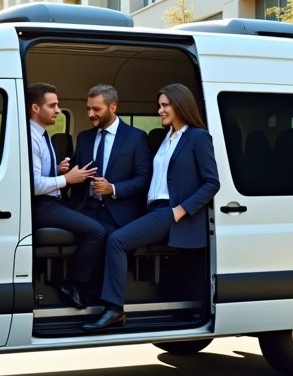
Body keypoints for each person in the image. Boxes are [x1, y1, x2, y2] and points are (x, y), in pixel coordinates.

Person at [83, 83, 220, 332]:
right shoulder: (168, 138)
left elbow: (212, 183)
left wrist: (181, 209)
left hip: (170, 211)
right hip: (153, 210)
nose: (160, 110)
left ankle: (114, 309)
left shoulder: (197, 136)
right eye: (160, 106)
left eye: (165, 105)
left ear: (180, 105)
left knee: (116, 240)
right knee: (107, 234)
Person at [26, 82, 103, 311]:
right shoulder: (31, 137)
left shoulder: (42, 134)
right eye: (53, 105)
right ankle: (72, 283)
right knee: (96, 231)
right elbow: (34, 185)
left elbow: (39, 174)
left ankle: (91, 283)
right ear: (35, 108)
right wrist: (67, 179)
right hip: (43, 206)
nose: (58, 110)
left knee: (96, 219)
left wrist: (59, 170)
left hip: (53, 201)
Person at [66, 84, 152, 237]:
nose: (90, 114)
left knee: (107, 240)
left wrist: (112, 188)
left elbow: (143, 179)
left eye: (96, 109)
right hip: (84, 209)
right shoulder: (83, 137)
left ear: (112, 107)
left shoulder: (136, 137)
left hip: (118, 213)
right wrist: (64, 171)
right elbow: (75, 173)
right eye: (88, 108)